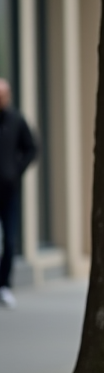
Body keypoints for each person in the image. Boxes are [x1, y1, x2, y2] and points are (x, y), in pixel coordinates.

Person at [0, 79, 38, 309]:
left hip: (9, 192)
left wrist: (16, 170)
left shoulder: (16, 120)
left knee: (11, 242)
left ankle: (4, 285)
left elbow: (32, 148)